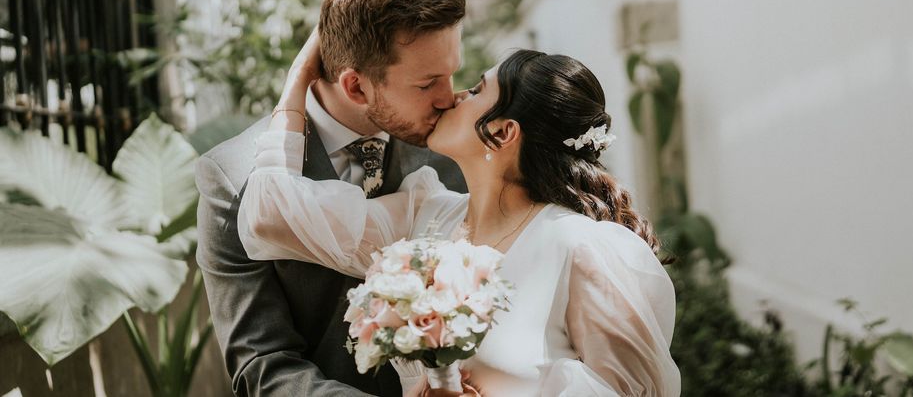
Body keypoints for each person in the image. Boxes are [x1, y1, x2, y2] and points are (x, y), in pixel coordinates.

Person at [238, 34, 682, 395]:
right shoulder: (423, 217)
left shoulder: (583, 249)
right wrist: (298, 82)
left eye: (475, 91)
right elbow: (271, 215)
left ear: (503, 132)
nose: (450, 97)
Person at [195, 0, 471, 397]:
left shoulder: (451, 154)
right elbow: (262, 363)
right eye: (427, 83)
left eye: (452, 73)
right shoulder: (233, 179)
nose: (449, 98)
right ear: (356, 87)